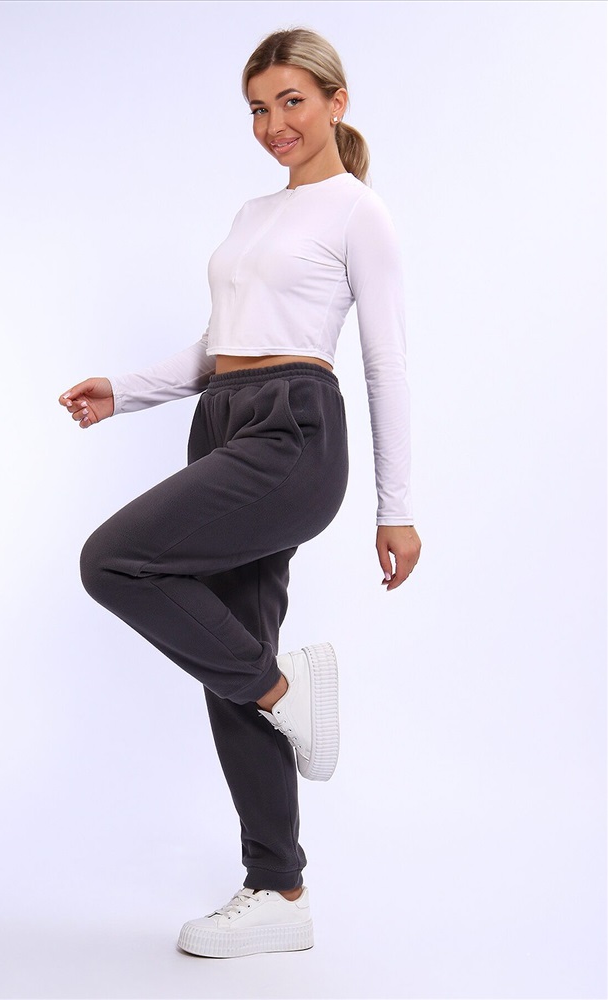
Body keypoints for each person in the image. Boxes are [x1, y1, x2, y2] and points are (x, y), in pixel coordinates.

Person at [58, 27, 422, 959]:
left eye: (291, 101)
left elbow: (384, 362)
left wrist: (394, 506)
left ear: (336, 102)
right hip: (222, 417)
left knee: (113, 561)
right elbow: (219, 341)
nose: (273, 125)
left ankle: (283, 690)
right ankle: (278, 888)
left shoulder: (358, 212)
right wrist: (124, 390)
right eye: (258, 109)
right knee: (230, 661)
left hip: (293, 430)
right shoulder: (253, 212)